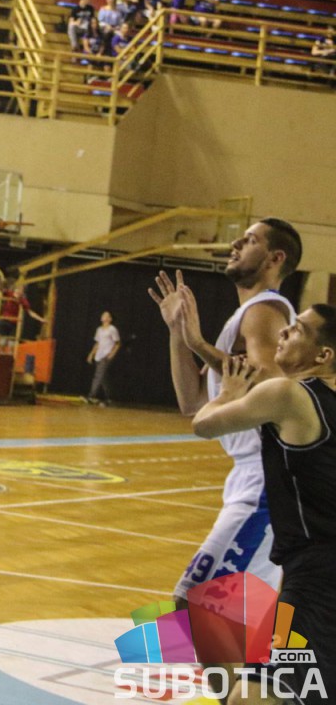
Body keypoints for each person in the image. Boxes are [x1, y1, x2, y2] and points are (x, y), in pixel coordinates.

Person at [148, 218, 301, 608]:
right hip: (255, 477)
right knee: (235, 616)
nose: (235, 244)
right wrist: (178, 332)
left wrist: (197, 342)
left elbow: (270, 381)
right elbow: (193, 402)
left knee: (194, 601)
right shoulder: (245, 315)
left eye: (249, 240)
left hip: (267, 479)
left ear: (275, 258)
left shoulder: (264, 309)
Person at [191, 305, 336, 705]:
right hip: (314, 574)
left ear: (323, 355)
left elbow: (203, 424)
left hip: (316, 579)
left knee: (251, 697)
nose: (284, 332)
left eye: (298, 329)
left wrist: (227, 393)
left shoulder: (288, 394)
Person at [85, 310, 120, 405]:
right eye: (103, 315)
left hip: (106, 355)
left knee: (98, 375)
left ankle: (91, 396)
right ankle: (110, 397)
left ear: (110, 319)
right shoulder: (99, 330)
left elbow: (117, 343)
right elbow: (97, 343)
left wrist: (112, 354)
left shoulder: (112, 329)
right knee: (103, 378)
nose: (104, 317)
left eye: (106, 315)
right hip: (99, 355)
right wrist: (91, 354)